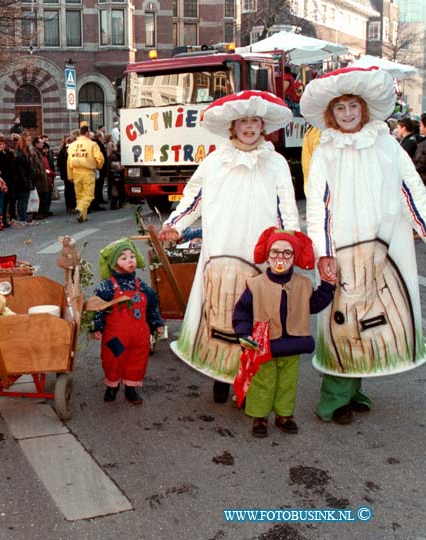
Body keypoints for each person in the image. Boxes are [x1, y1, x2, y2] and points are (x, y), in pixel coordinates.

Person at [301, 67, 426, 424]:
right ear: (330, 113)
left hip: (382, 247)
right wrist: (324, 253)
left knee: (372, 320)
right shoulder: (326, 150)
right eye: (340, 108)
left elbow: (409, 187)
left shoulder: (387, 145)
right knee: (342, 321)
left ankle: (355, 388)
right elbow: (317, 205)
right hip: (342, 249)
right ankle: (334, 400)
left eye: (353, 106)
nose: (347, 114)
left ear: (364, 108)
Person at [158, 90, 299, 404]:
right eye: (243, 121)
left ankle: (248, 378)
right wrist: (175, 225)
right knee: (219, 313)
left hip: (260, 253)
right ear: (232, 127)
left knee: (255, 317)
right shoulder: (215, 161)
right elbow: (193, 198)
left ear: (263, 126)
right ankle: (219, 372)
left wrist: (291, 245)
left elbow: (287, 208)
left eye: (255, 121)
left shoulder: (275, 162)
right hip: (221, 249)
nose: (249, 127)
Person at [232, 228, 335, 438]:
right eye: (275, 252)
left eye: (287, 253)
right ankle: (259, 417)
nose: (281, 257)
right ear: (268, 257)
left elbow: (313, 306)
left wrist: (327, 287)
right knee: (263, 381)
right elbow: (242, 311)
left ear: (294, 257)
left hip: (293, 343)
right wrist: (243, 333)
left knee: (288, 382)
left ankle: (284, 415)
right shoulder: (256, 284)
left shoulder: (303, 284)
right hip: (264, 345)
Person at [90, 239, 165, 405]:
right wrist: (97, 326)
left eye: (131, 256)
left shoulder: (142, 286)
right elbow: (98, 306)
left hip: (139, 335)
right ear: (114, 265)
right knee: (113, 359)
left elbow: (152, 305)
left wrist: (157, 322)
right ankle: (112, 385)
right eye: (123, 258)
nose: (130, 260)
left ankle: (131, 388)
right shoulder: (107, 286)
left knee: (137, 360)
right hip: (116, 336)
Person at [67, 126, 105, 223]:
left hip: (76, 171)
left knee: (79, 195)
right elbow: (100, 158)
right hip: (88, 171)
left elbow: (69, 161)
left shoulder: (72, 145)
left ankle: (83, 216)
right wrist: (99, 166)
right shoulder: (92, 144)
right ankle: (80, 208)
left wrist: (70, 175)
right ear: (87, 133)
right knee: (89, 195)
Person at [12, 132, 39, 224]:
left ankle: (23, 215)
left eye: (29, 140)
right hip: (22, 179)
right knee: (23, 199)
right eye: (27, 141)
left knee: (25, 199)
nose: (29, 142)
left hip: (26, 178)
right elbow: (21, 169)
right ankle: (22, 216)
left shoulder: (26, 152)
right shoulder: (20, 153)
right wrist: (25, 181)